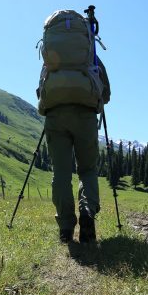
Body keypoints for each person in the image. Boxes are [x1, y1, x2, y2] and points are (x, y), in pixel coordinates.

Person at [38, 57, 111, 243]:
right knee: (87, 170)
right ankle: (87, 211)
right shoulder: (91, 54)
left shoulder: (52, 54)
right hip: (84, 116)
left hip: (55, 117)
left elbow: (41, 91)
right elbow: (106, 94)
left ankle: (65, 228)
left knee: (61, 174)